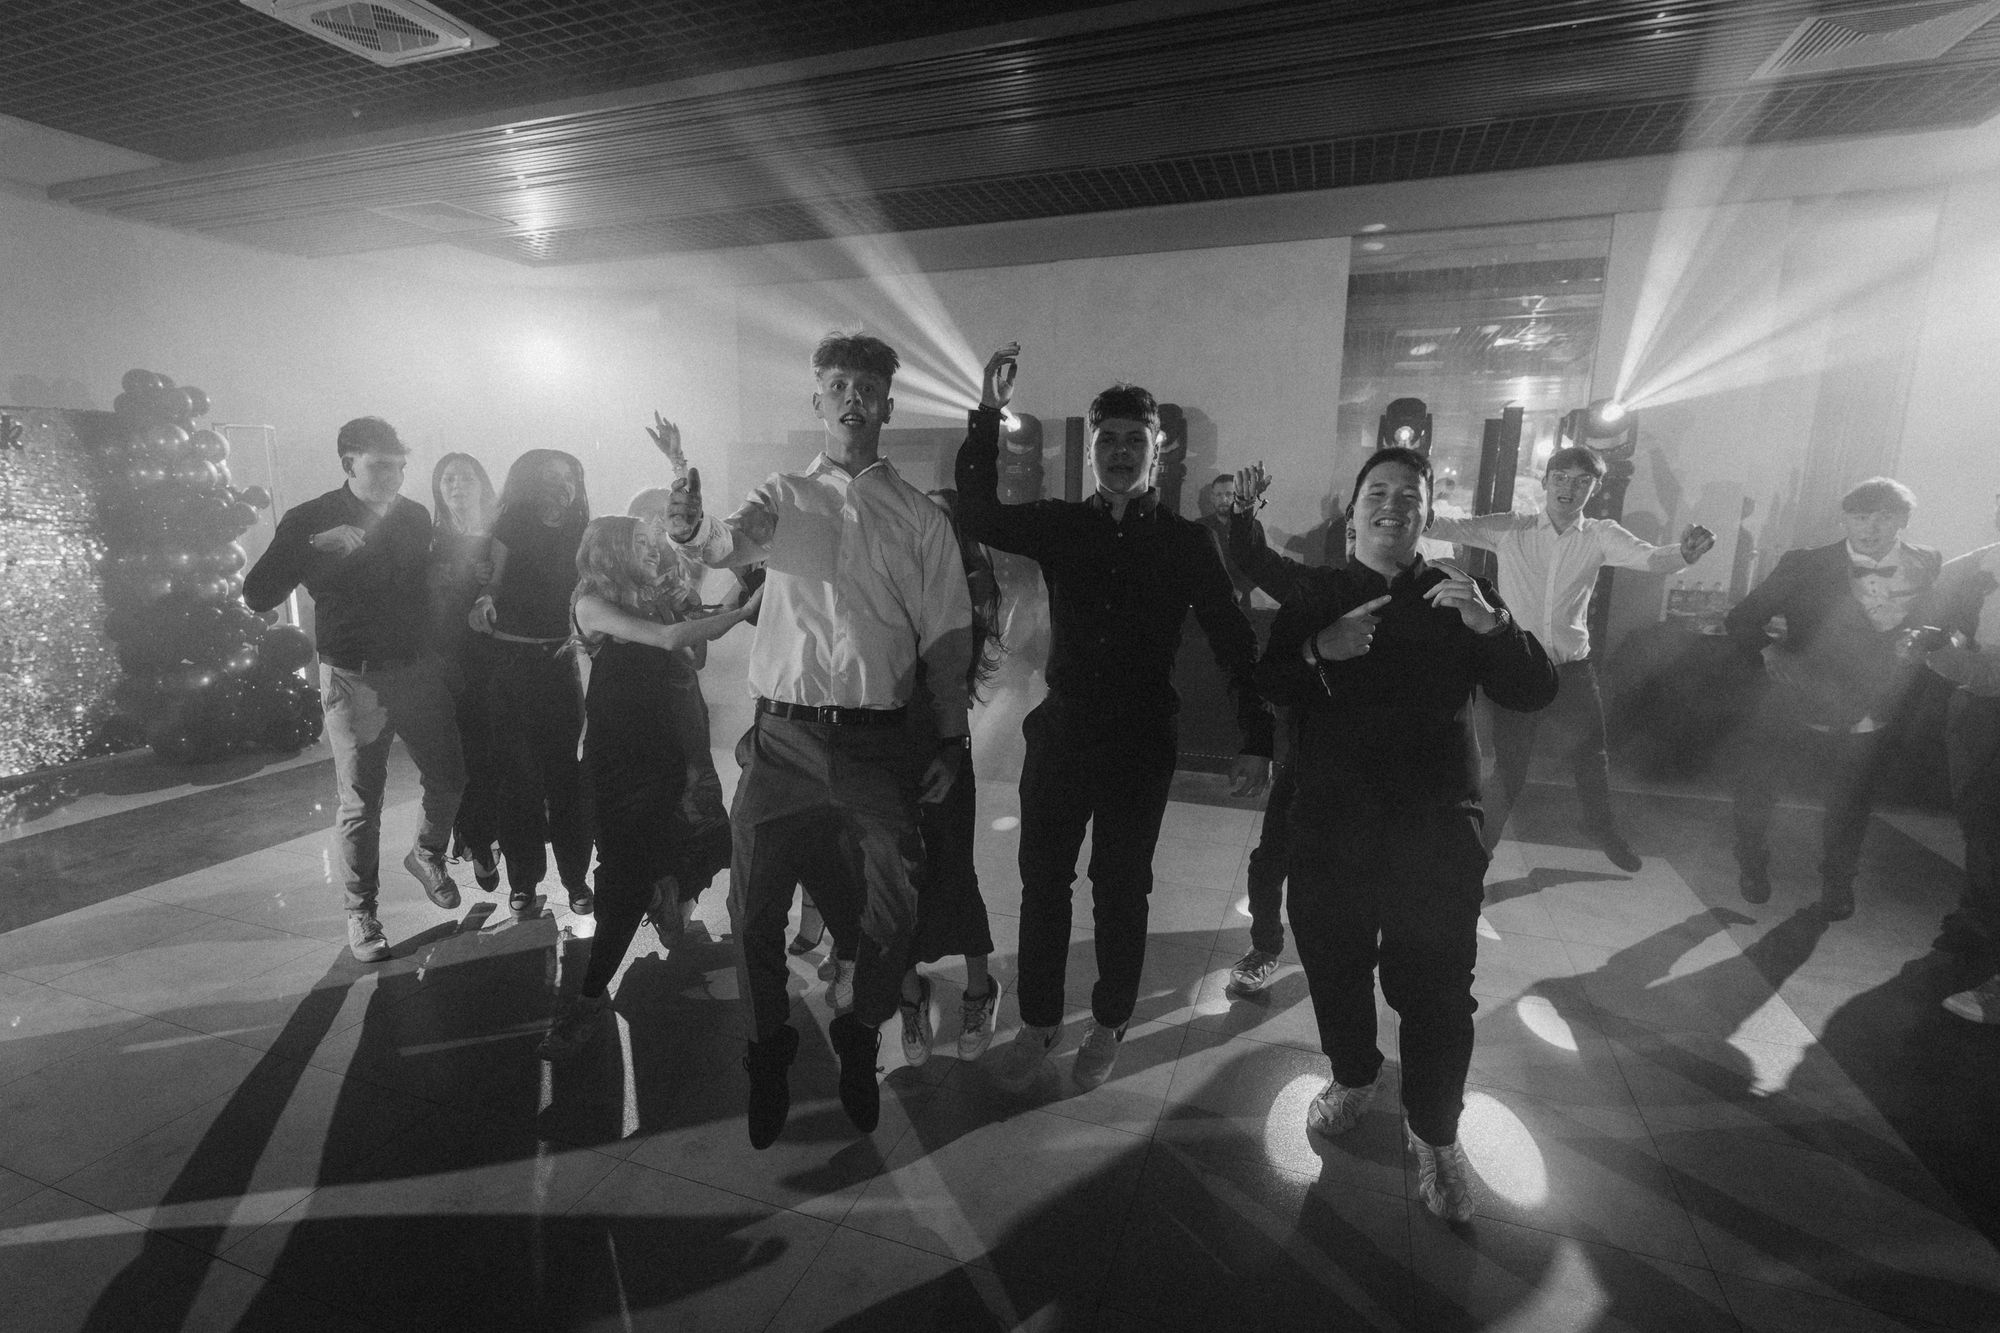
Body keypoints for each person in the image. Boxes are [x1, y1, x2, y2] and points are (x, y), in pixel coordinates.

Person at [667, 331, 973, 1148]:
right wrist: (692, 526)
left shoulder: (919, 518)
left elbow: (947, 637)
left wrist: (951, 742)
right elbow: (729, 543)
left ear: (887, 405)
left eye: (866, 388)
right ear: (816, 400)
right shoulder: (785, 497)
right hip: (785, 741)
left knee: (895, 907)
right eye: (837, 385)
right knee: (752, 909)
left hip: (877, 746)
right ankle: (766, 1049)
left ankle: (861, 1031)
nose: (851, 399)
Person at [958, 343, 1273, 1094]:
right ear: (1092, 449)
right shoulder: (1064, 525)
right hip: (1062, 731)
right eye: (1109, 439)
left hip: (1140, 739)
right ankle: (1040, 1021)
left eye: (1136, 439)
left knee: (1121, 889)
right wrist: (988, 413)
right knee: (1042, 883)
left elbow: (1232, 638)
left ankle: (1110, 1019)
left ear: (1157, 450)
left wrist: (1257, 735)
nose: (1122, 451)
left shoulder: (1186, 542)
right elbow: (977, 512)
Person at [1257, 446, 1557, 1223]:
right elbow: (1265, 685)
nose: (1392, 505)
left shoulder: (1458, 592)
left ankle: (1436, 1133)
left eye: (1409, 495)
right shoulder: (1317, 596)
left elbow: (1534, 688)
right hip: (1330, 827)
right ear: (1353, 510)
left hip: (1434, 832)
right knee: (1334, 966)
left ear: (1427, 513)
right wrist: (1318, 648)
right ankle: (1355, 1072)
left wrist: (1493, 626)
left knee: (1437, 990)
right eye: (1378, 492)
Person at [1428, 446, 1715, 870]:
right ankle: (1477, 854)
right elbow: (1451, 526)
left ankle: (1602, 829)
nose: (1570, 488)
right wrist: (1401, 505)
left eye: (1582, 482)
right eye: (1561, 478)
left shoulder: (1599, 534)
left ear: (1594, 489)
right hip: (1519, 667)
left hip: (1573, 669)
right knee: (1510, 768)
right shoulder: (1512, 527)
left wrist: (1685, 553)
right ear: (1546, 481)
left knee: (1592, 755)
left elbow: (1651, 558)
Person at [537, 516, 761, 1060]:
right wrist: (741, 613)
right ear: (612, 551)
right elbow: (667, 640)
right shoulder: (591, 603)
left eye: (651, 542)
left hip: (675, 746)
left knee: (705, 837)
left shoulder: (656, 598)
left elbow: (692, 654)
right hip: (622, 762)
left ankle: (671, 894)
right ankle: (588, 999)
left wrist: (713, 601)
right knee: (623, 881)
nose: (653, 551)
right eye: (640, 543)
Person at [244, 417, 467, 963]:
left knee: (450, 776)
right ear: (349, 463)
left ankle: (427, 853)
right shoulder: (310, 519)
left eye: (400, 467)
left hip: (416, 669)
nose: (394, 477)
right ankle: (361, 911)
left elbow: (428, 587)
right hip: (353, 675)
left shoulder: (413, 516)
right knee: (363, 802)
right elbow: (257, 595)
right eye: (380, 466)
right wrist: (310, 548)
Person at [1724, 477, 1940, 919]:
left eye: (1883, 518)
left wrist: (1926, 639)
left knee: (1850, 803)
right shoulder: (1805, 564)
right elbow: (1742, 618)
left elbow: (1939, 620)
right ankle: (1751, 861)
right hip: (1799, 698)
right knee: (1759, 787)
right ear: (1845, 520)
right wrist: (1770, 650)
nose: (1870, 528)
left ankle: (1839, 884)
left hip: (1872, 703)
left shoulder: (1927, 561)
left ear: (1903, 521)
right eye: (1860, 518)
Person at [898, 487, 1006, 1066]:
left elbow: (953, 681)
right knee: (892, 876)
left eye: (937, 523)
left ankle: (979, 991)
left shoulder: (965, 588)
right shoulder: (889, 579)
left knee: (953, 870)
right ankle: (910, 997)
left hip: (942, 744)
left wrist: (955, 748)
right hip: (885, 745)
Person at [470, 449, 595, 919]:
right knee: (518, 779)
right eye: (551, 476)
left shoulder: (584, 529)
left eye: (569, 476)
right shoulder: (512, 524)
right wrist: (484, 598)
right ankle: (522, 881)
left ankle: (576, 879)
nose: (561, 484)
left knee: (569, 778)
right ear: (531, 482)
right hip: (513, 661)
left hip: (562, 662)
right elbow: (494, 583)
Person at [1221, 463, 1316, 996]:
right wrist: (1244, 511)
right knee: (1269, 861)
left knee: (1345, 869)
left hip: (1372, 768)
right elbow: (1254, 558)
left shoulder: (1417, 596)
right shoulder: (1317, 589)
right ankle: (1266, 945)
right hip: (1306, 756)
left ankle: (1345, 948)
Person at [1910, 489, 2000, 1021]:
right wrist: (1941, 647)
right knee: (1980, 823)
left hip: (1981, 689)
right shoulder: (1974, 566)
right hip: (1976, 710)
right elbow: (1937, 623)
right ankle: (1978, 921)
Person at [426, 452, 501, 892]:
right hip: (449, 660)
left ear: (482, 484)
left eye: (466, 478)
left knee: (500, 753)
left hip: (498, 657)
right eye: (448, 478)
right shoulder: (430, 540)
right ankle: (478, 840)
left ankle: (502, 836)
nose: (456, 486)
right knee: (465, 757)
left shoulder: (499, 537)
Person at [1198, 472, 1258, 609]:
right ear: (1212, 497)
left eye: (1228, 494)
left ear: (1236, 495)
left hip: (1241, 602)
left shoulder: (1252, 525)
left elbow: (1259, 564)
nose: (1223, 499)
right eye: (1218, 494)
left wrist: (1241, 589)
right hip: (1207, 599)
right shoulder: (1200, 527)